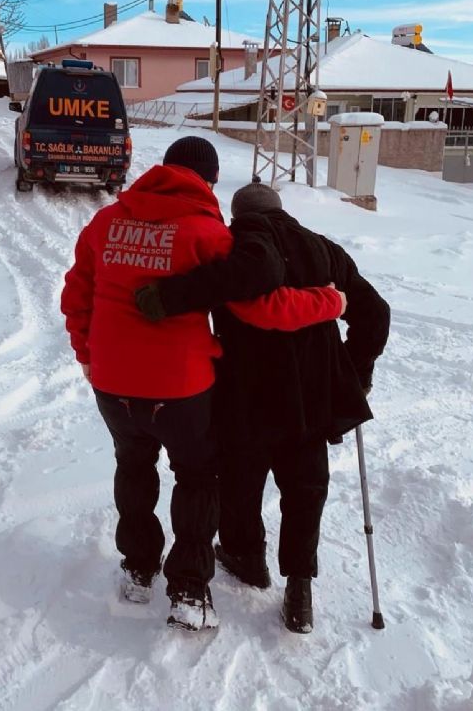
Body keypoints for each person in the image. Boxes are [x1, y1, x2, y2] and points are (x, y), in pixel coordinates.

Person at [60, 137, 346, 632]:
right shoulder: (207, 234)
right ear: (207, 181)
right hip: (182, 387)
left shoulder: (104, 223)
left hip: (113, 382)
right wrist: (330, 302)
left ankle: (137, 568)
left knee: (133, 466)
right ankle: (190, 590)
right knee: (196, 478)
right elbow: (262, 306)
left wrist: (87, 356)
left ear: (162, 171)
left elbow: (76, 296)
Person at [135, 181, 390, 633]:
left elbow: (199, 298)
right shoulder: (325, 251)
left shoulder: (236, 255)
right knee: (305, 488)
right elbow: (375, 312)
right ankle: (299, 587)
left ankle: (245, 555)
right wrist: (354, 369)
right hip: (309, 398)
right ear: (281, 211)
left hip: (245, 391)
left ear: (238, 218)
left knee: (240, 480)